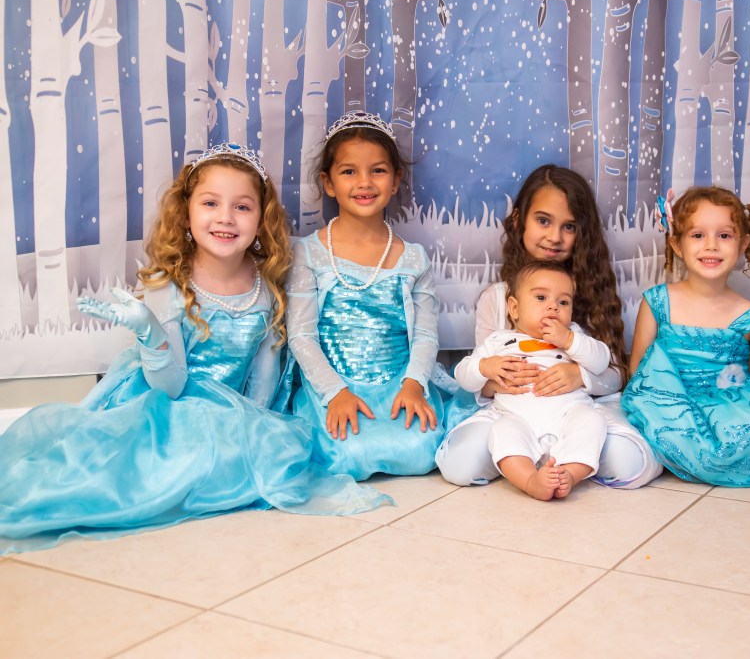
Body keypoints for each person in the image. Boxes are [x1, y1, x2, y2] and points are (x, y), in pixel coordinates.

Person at [0, 143, 386, 555]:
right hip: (165, 405)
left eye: (242, 207)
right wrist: (150, 333)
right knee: (137, 475)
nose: (225, 217)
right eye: (210, 203)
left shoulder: (265, 284)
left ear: (262, 219)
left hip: (232, 411)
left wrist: (254, 432)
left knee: (265, 463)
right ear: (187, 213)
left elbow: (263, 378)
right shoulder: (169, 284)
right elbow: (169, 385)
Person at [435, 164, 662, 488]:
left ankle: (563, 462)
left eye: (568, 226)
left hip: (576, 409)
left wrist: (579, 376)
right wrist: (498, 377)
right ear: (519, 221)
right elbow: (479, 374)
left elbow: (614, 374)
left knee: (628, 461)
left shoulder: (589, 292)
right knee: (462, 464)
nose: (555, 237)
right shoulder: (498, 299)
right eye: (544, 221)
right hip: (513, 411)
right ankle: (529, 465)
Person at [280, 112, 446, 481]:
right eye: (349, 171)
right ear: (328, 183)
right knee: (345, 454)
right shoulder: (310, 254)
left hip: (397, 380)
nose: (364, 182)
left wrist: (414, 385)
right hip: (334, 383)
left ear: (395, 180)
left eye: (378, 170)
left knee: (421, 451)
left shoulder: (413, 258)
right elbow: (302, 336)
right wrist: (334, 393)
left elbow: (424, 334)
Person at [622, 186, 750, 487]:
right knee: (643, 426)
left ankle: (732, 457)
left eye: (724, 235)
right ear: (676, 244)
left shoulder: (748, 313)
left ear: (743, 245)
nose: (711, 246)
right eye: (698, 235)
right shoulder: (658, 302)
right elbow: (639, 371)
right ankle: (685, 451)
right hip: (671, 402)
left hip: (730, 403)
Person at [456, 261, 608, 500]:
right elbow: (463, 375)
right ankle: (530, 481)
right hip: (518, 418)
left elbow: (601, 361)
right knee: (502, 431)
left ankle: (569, 474)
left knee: (592, 421)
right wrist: (485, 366)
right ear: (514, 309)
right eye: (540, 298)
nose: (552, 307)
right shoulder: (499, 341)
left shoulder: (575, 336)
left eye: (563, 302)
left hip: (567, 415)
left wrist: (569, 340)